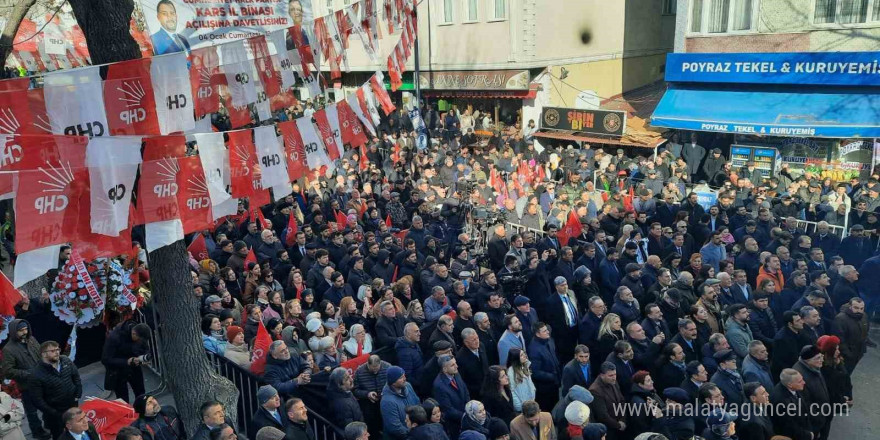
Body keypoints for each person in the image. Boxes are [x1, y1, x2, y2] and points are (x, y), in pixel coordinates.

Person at [0, 319, 50, 440]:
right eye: (21, 330)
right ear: (13, 332)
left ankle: (49, 424)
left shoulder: (31, 340)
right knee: (32, 412)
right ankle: (37, 432)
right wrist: (28, 374)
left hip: (42, 380)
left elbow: (40, 354)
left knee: (48, 404)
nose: (25, 332)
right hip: (27, 385)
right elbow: (8, 371)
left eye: (26, 329)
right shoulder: (8, 349)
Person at [28, 341, 81, 439]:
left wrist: (78, 395)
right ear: (44, 354)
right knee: (60, 436)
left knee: (78, 433)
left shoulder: (66, 361)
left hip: (73, 406)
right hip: (55, 415)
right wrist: (54, 412)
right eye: (53, 350)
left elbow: (76, 378)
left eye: (58, 349)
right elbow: (37, 400)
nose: (57, 352)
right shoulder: (36, 374)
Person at [102, 320, 152, 403]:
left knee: (141, 394)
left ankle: (142, 412)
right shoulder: (114, 337)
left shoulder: (139, 332)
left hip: (134, 368)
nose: (139, 341)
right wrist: (126, 362)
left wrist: (144, 358)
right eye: (138, 339)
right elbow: (106, 359)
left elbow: (145, 348)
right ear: (134, 333)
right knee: (123, 399)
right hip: (118, 371)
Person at [792, 345, 830, 439]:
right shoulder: (800, 377)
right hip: (813, 421)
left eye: (821, 356)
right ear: (807, 360)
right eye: (818, 358)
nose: (822, 359)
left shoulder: (813, 367)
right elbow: (805, 404)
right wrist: (819, 418)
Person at [769, 369, 814, 440]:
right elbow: (789, 427)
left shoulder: (794, 388)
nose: (804, 382)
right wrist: (808, 435)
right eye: (800, 381)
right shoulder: (780, 402)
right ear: (790, 384)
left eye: (802, 379)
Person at [432, 355, 469, 436]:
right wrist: (465, 416)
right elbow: (448, 410)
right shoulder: (439, 386)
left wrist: (469, 408)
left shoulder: (456, 374)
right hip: (453, 425)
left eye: (455, 363)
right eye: (452, 365)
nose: (457, 366)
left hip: (465, 416)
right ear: (444, 369)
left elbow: (465, 390)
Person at [588, 362, 626, 440]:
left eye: (615, 374)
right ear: (602, 375)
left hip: (619, 423)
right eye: (610, 375)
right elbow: (602, 415)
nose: (614, 377)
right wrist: (618, 425)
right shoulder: (595, 391)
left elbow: (622, 401)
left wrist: (622, 419)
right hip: (608, 430)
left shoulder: (613, 381)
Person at [381, 367, 421, 440]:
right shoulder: (387, 401)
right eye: (401, 377)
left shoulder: (408, 386)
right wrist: (413, 435)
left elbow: (418, 405)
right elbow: (395, 427)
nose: (405, 379)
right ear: (393, 382)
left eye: (404, 375)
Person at [834, 297, 868, 374]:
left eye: (861, 308)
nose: (859, 311)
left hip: (858, 353)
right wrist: (847, 354)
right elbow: (839, 339)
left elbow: (866, 331)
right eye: (856, 308)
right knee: (843, 374)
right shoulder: (840, 319)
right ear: (850, 306)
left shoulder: (864, 316)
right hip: (846, 355)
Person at [455, 328, 490, 400]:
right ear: (466, 342)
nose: (477, 341)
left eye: (477, 338)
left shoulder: (481, 346)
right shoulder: (460, 358)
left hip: (488, 387)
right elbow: (463, 380)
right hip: (475, 393)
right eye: (473, 340)